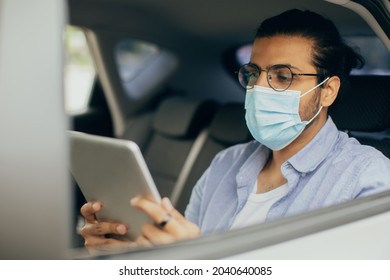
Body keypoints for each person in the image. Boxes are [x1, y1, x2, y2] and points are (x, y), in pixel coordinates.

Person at [80, 9, 390, 251]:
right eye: (254, 74)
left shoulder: (368, 181)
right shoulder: (225, 164)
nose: (259, 89)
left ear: (327, 91)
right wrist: (127, 253)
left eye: (283, 77)